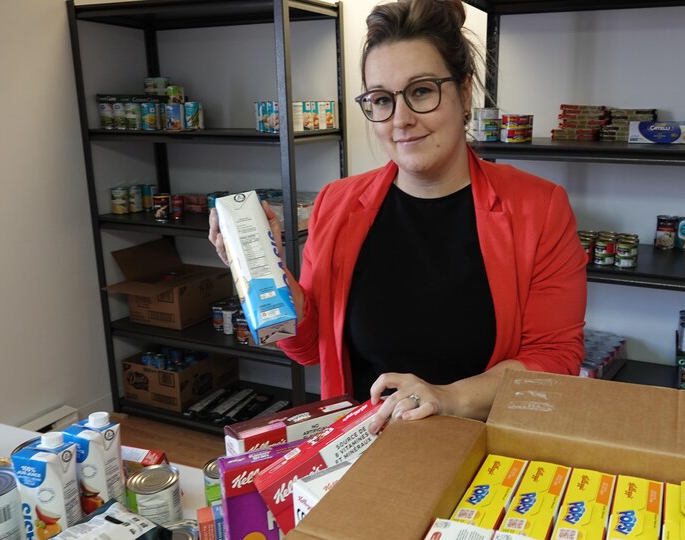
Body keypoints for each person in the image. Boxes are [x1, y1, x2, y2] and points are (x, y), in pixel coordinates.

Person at [209, 0, 587, 435]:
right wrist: (267, 272)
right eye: (382, 99)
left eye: (422, 91)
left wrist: (448, 397)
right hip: (362, 445)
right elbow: (309, 348)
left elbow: (555, 357)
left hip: (481, 446)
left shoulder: (538, 207)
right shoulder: (337, 203)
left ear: (464, 93)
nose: (401, 120)